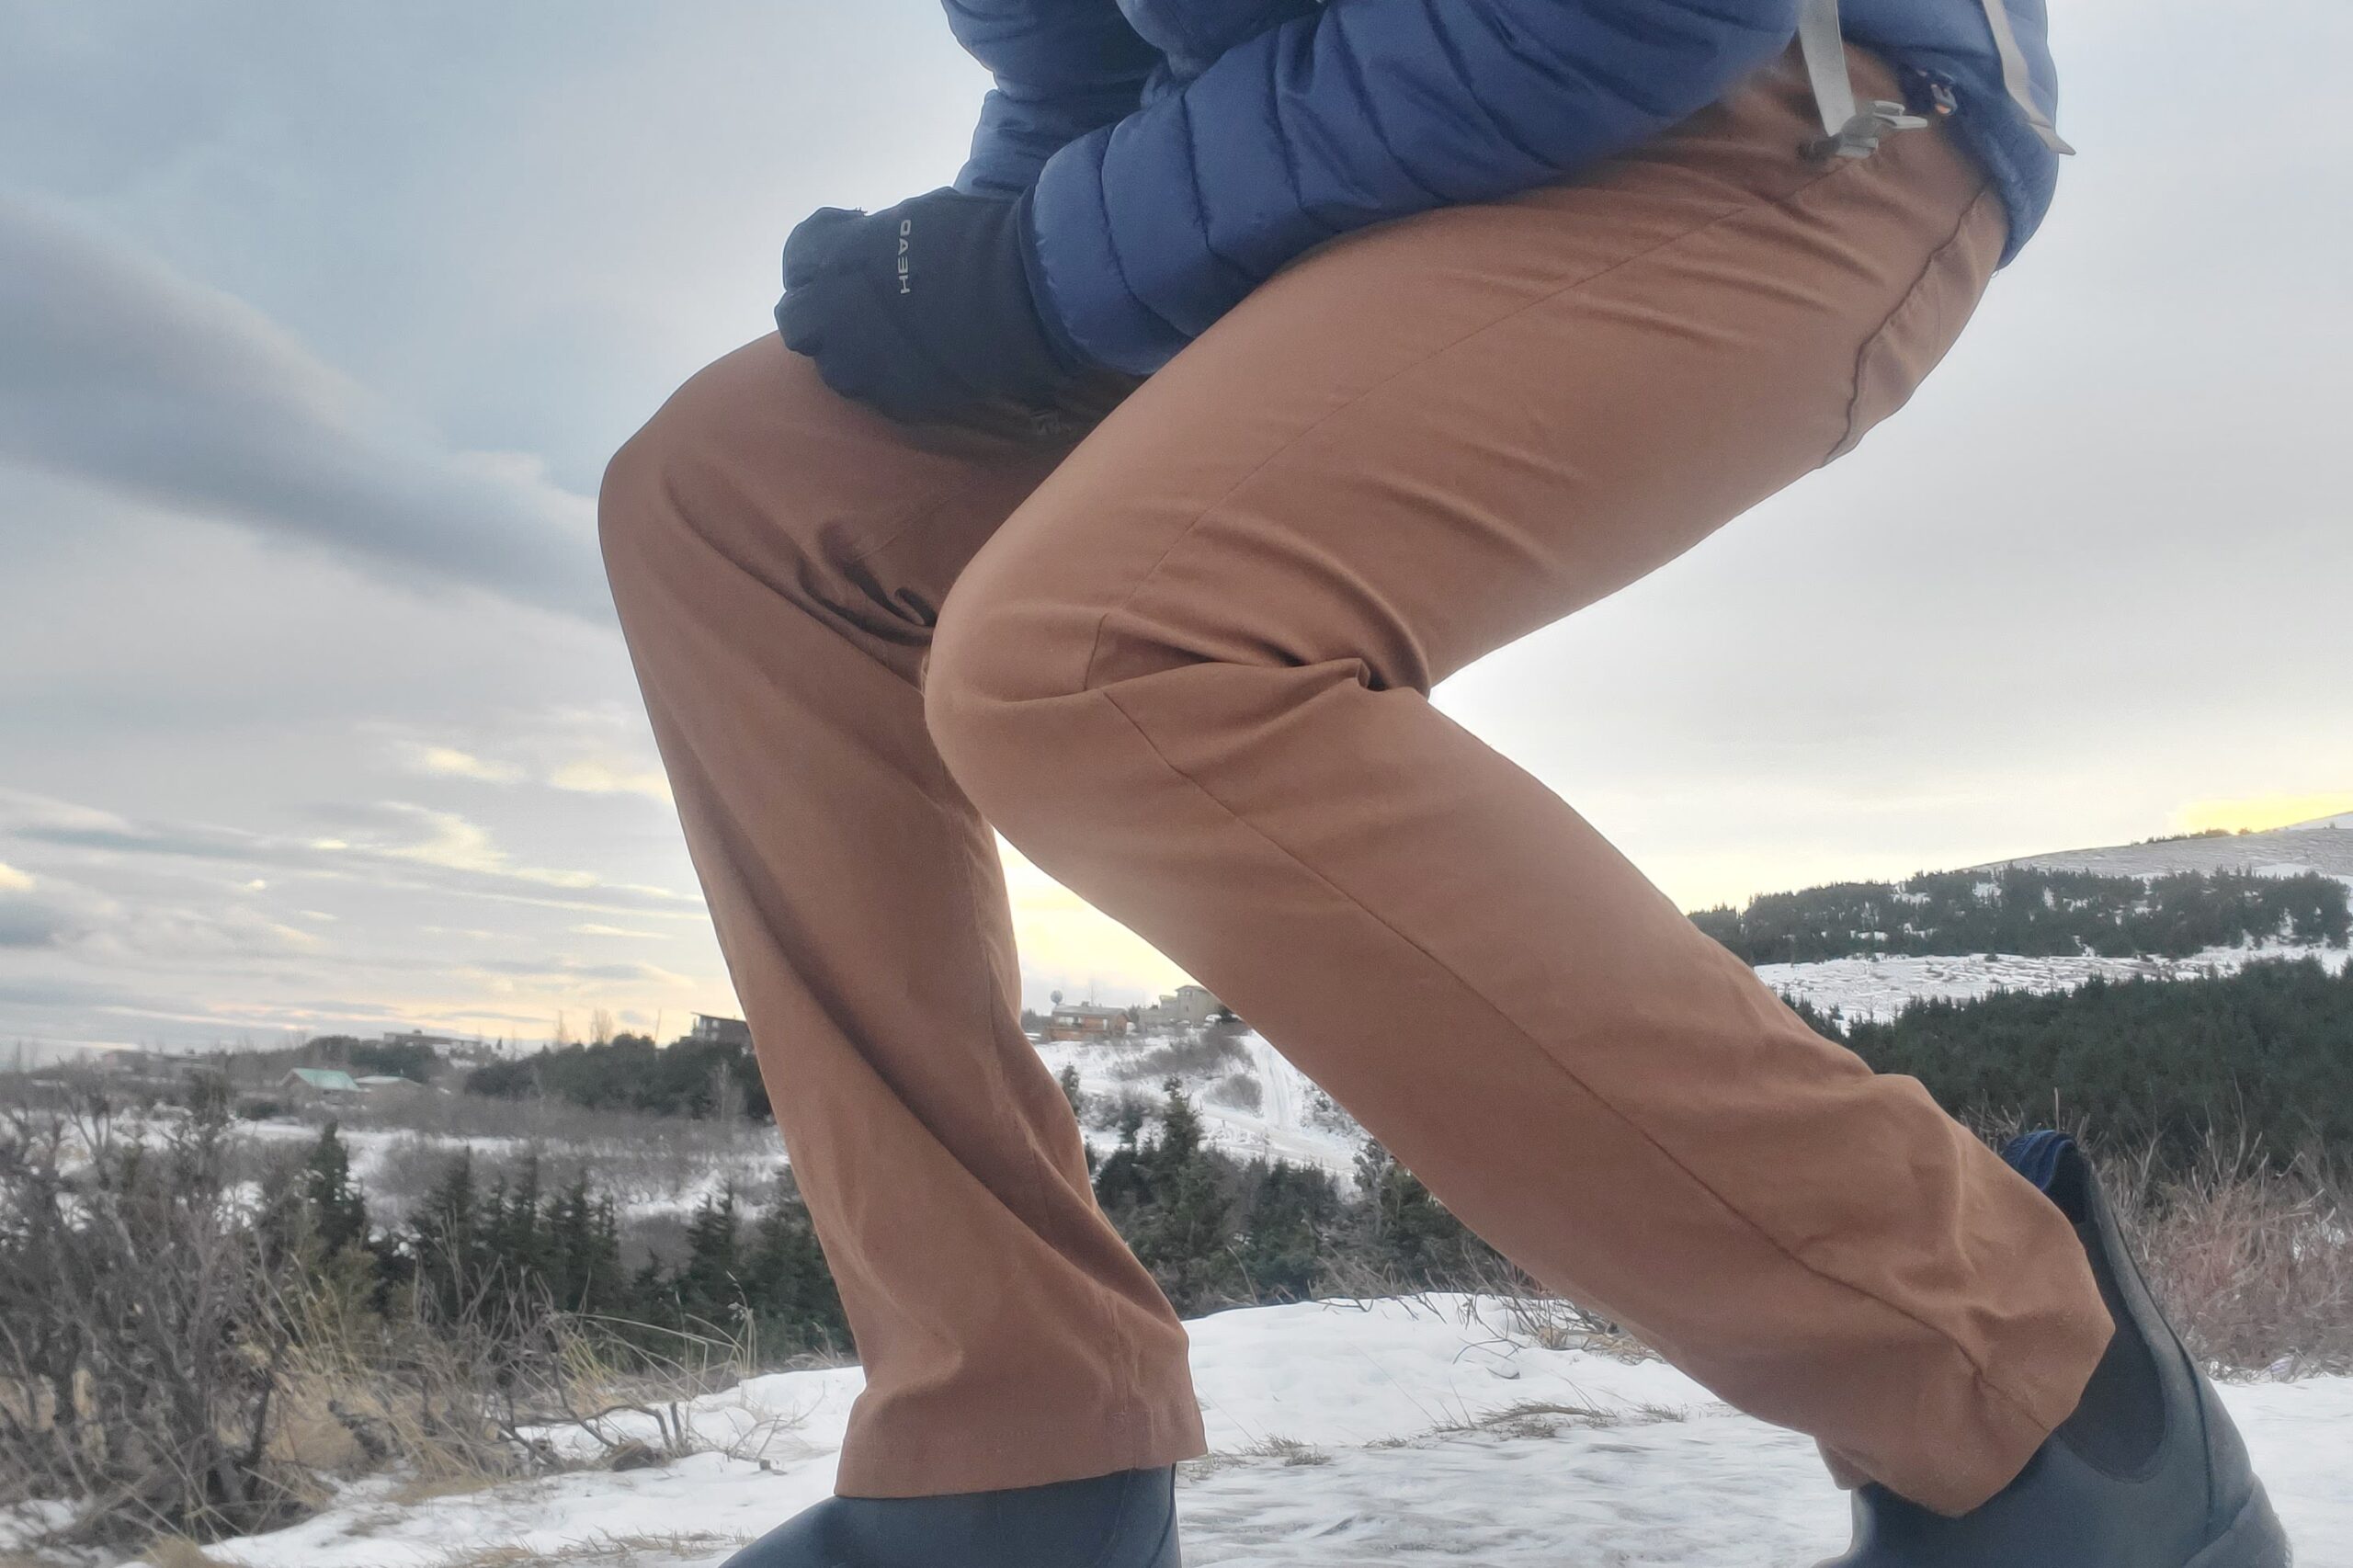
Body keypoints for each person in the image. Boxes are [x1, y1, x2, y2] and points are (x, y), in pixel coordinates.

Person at [597, 0, 2289, 1562]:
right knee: (737, 496)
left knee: (1105, 656)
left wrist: (1040, 265)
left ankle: (2033, 1388)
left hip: (1769, 90)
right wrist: (966, 277)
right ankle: (1010, 1459)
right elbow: (1089, 60)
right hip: (1350, 168)